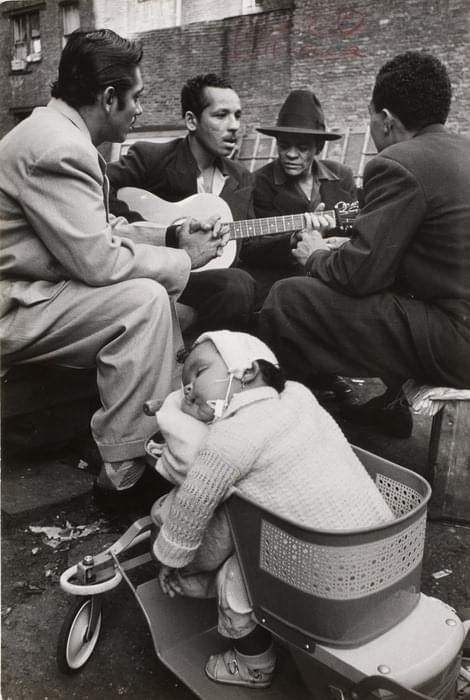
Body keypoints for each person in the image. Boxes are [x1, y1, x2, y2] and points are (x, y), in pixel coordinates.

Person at [0, 29, 229, 508]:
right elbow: (100, 260)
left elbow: (101, 229)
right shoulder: (60, 148)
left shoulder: (53, 133)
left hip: (30, 290)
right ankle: (125, 474)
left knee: (152, 293)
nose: (141, 110)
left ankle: (160, 438)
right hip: (12, 306)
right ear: (108, 98)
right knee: (142, 300)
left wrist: (171, 235)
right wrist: (184, 260)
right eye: (137, 97)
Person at [150, 330, 394, 688]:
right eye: (184, 386)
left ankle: (254, 664)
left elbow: (193, 504)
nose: (188, 389)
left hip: (320, 569)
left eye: (197, 372)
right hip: (382, 541)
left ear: (246, 371)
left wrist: (171, 560)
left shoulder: (228, 441)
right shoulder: (299, 397)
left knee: (239, 573)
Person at [257, 51, 470, 439]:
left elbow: (359, 276)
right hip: (457, 323)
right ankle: (390, 405)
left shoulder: (398, 162)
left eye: (370, 115)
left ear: (386, 120)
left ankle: (290, 425)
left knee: (288, 297)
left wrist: (316, 254)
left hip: (456, 344)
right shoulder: (462, 150)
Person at [107, 73, 256, 336]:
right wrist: (151, 234)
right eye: (221, 115)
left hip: (208, 277)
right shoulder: (152, 157)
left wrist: (296, 235)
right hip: (155, 270)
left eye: (238, 115)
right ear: (191, 121)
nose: (234, 126)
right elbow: (100, 187)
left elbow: (250, 241)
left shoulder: (241, 176)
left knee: (245, 285)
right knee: (237, 285)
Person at [238, 89, 357, 306]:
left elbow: (359, 228)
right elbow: (249, 247)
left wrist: (342, 243)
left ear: (318, 147)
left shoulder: (342, 176)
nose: (291, 154)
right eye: (284, 145)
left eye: (302, 147)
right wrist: (293, 239)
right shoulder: (257, 183)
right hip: (282, 286)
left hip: (334, 280)